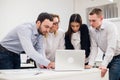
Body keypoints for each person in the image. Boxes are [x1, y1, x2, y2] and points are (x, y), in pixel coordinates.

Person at [86, 8, 120, 80]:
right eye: (90, 20)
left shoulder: (110, 27)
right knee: (103, 78)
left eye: (93, 21)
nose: (91, 23)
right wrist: (90, 64)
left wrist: (104, 64)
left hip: (117, 56)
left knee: (112, 78)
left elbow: (111, 47)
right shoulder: (91, 29)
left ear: (101, 18)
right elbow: (94, 48)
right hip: (106, 55)